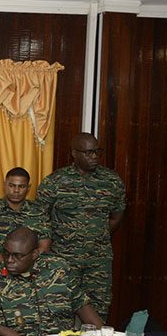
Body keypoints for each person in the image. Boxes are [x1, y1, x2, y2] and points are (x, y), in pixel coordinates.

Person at [36, 132, 125, 320]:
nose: (93, 157)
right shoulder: (54, 182)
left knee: (98, 310)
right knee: (61, 309)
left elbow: (116, 217)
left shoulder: (112, 181)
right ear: (74, 154)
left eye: (97, 152)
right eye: (87, 152)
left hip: (98, 260)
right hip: (64, 259)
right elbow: (40, 219)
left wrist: (96, 235)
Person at [0, 227, 102, 336]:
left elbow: (81, 305)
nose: (9, 260)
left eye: (18, 255)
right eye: (6, 253)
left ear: (34, 254)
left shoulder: (58, 270)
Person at [0, 167, 50, 265]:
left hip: (31, 269)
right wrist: (9, 265)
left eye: (21, 186)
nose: (16, 190)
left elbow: (44, 246)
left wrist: (23, 266)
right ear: (4, 186)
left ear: (28, 188)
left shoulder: (39, 211)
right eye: (12, 186)